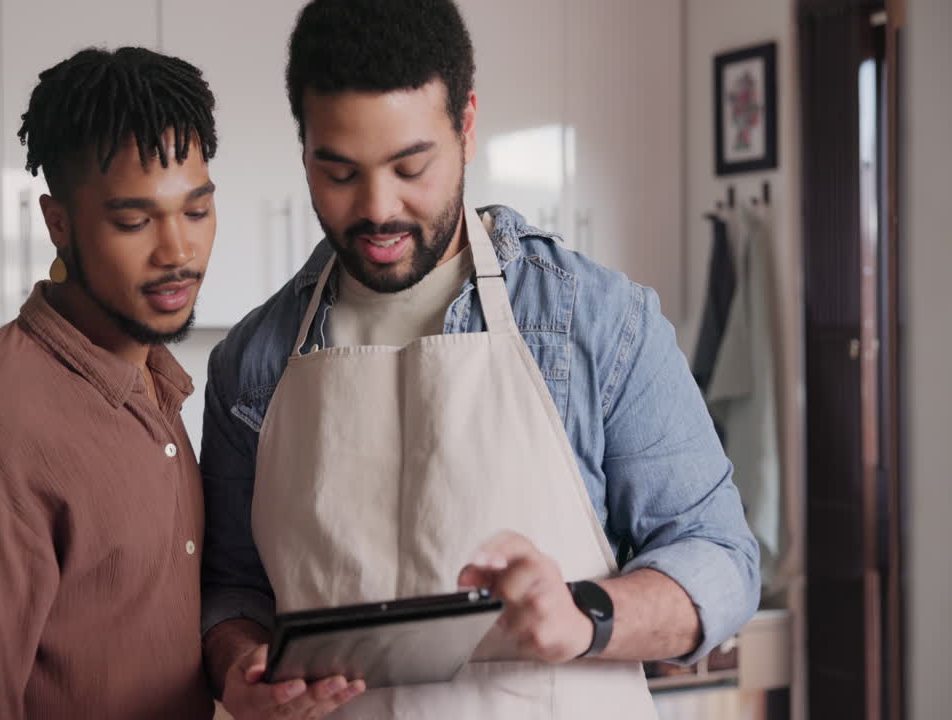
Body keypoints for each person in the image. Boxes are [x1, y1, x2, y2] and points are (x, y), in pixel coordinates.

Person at [199, 1, 761, 717]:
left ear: (465, 125)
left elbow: (722, 559)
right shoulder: (251, 363)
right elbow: (232, 588)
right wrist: (236, 663)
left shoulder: (596, 322)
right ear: (304, 147)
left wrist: (584, 615)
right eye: (339, 172)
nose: (378, 209)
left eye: (411, 166)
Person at [0, 46, 219, 720]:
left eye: (196, 211)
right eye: (134, 220)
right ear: (58, 223)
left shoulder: (155, 383)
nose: (178, 251)